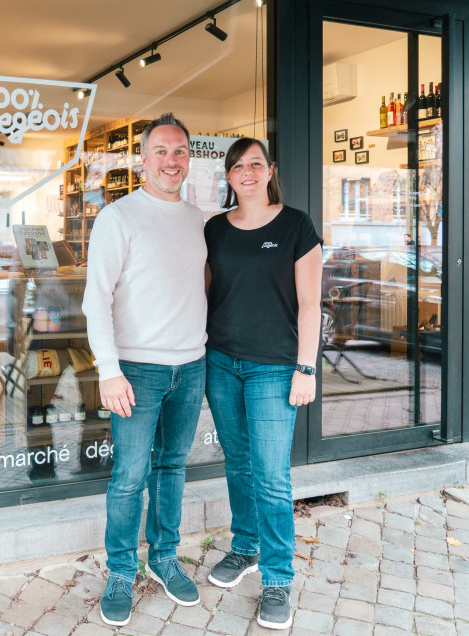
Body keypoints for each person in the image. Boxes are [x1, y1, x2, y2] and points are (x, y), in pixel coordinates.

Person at [82, 113, 207, 627]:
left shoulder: (200, 220)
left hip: (191, 366)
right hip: (137, 371)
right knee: (130, 476)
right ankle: (119, 569)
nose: (171, 160)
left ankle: (164, 557)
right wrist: (108, 371)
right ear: (143, 158)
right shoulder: (119, 217)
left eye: (179, 151)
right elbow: (97, 299)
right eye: (161, 151)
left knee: (172, 469)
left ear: (188, 159)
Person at [204, 138, 322, 630]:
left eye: (255, 163)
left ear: (270, 170)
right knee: (238, 462)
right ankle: (245, 547)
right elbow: (205, 294)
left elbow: (312, 304)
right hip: (220, 362)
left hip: (274, 367)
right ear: (229, 177)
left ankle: (277, 577)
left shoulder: (296, 225)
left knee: (272, 476)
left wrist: (306, 367)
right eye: (237, 166)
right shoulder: (214, 228)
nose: (246, 172)